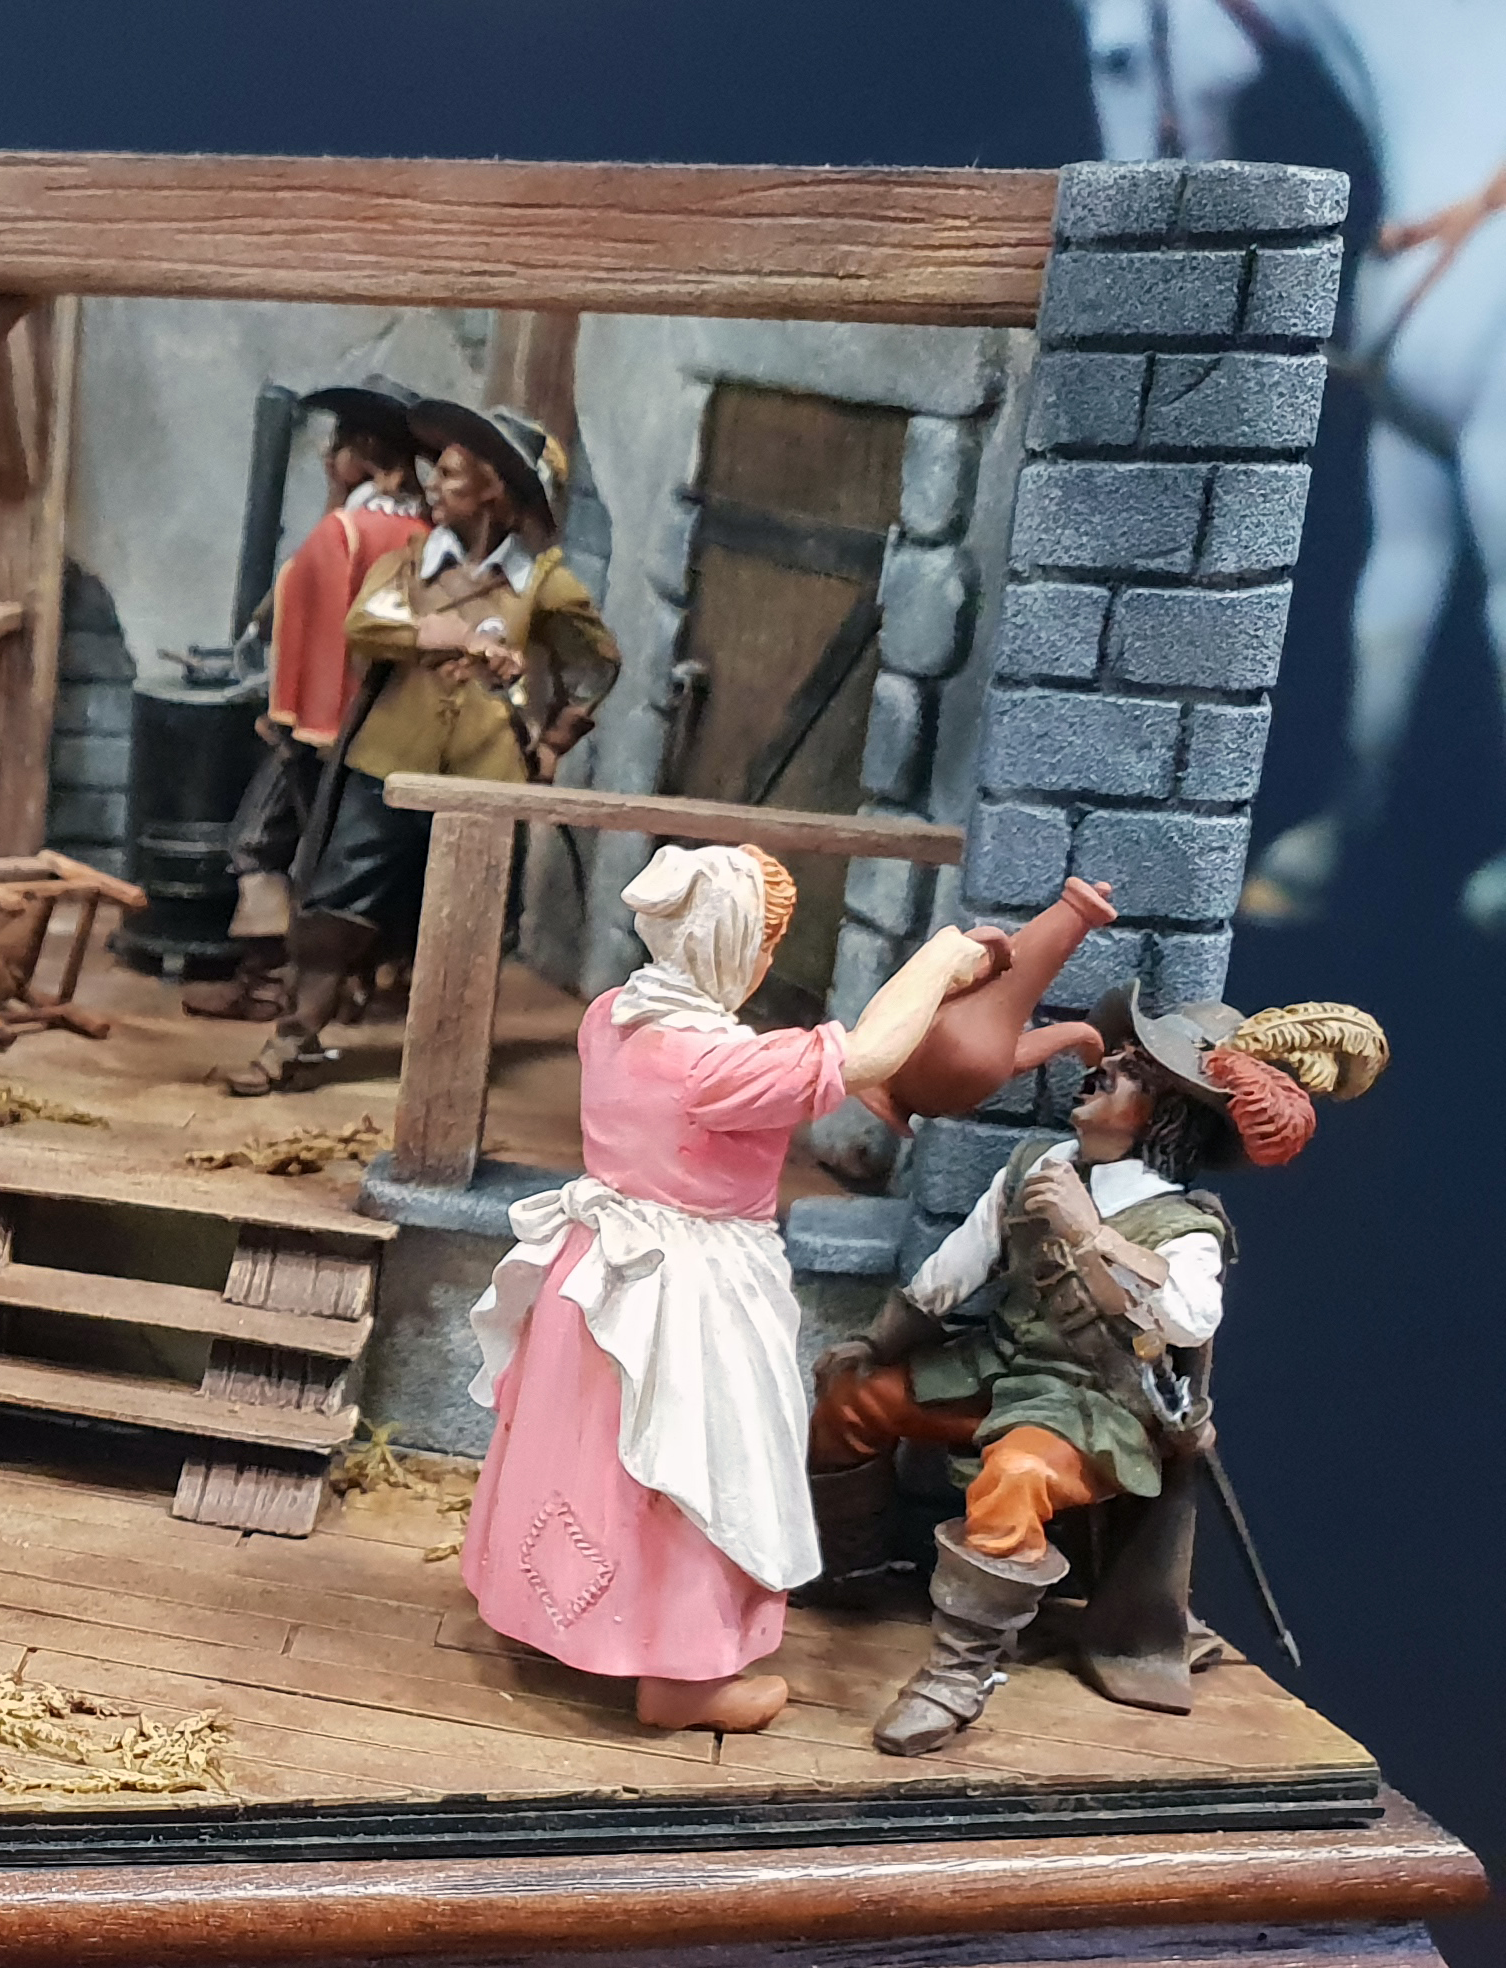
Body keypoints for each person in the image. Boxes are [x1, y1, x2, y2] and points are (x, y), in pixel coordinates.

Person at [456, 849, 993, 1734]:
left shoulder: (611, 1016)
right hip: (686, 1292)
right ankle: (682, 1674)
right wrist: (940, 959)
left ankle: (555, 1612)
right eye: (765, 942)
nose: (766, 961)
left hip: (591, 1276)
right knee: (698, 1465)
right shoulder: (719, 1065)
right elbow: (869, 1053)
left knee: (589, 1450)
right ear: (736, 946)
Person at [812, 987, 1386, 1757]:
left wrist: (1092, 1236)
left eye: (1132, 1071)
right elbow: (952, 1273)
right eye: (1118, 1057)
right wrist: (876, 1344)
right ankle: (848, 1575)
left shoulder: (1184, 1229)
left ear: (1163, 1115)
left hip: (1093, 1407)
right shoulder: (1037, 1168)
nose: (1104, 1066)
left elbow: (1188, 1320)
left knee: (1016, 1475)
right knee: (852, 1398)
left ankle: (958, 1675)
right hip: (996, 1369)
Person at [227, 398, 615, 1097]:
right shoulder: (410, 565)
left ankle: (447, 1068)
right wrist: (444, 635)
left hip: (483, 778)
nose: (431, 483)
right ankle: (294, 1040)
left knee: (466, 925)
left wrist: (555, 739)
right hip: (387, 765)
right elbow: (364, 626)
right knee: (332, 907)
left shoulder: (542, 585)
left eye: (453, 473)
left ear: (494, 489)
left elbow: (595, 665)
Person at [194, 379, 431, 1020]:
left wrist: (292, 721)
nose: (328, 457)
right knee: (331, 859)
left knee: (261, 844)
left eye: (338, 445)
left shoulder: (347, 531)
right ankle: (333, 984)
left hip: (323, 728)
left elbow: (326, 637)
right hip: (384, 732)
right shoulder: (420, 530)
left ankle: (270, 985)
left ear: (364, 452)